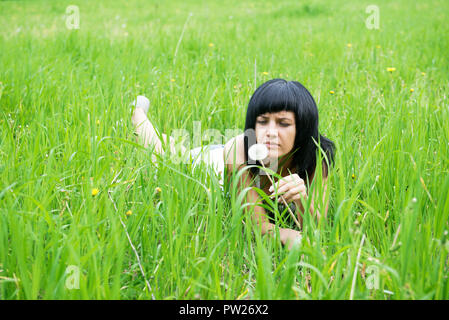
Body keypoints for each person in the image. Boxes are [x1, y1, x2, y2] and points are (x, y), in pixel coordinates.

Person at [131, 78, 335, 249]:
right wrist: (287, 234)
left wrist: (302, 200)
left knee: (175, 147)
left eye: (283, 123)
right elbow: (258, 226)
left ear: (303, 127)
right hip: (213, 166)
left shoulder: (317, 157)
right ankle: (138, 112)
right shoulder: (237, 151)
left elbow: (318, 228)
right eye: (263, 121)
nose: (271, 132)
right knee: (164, 153)